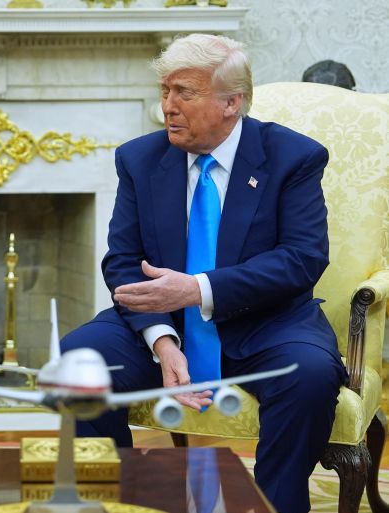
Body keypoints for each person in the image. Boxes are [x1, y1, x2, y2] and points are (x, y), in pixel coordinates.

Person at [61, 34, 347, 513]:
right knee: (78, 364)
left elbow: (302, 257)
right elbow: (122, 259)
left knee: (310, 375)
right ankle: (115, 502)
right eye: (165, 91)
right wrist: (162, 340)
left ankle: (276, 505)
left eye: (184, 94)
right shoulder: (140, 158)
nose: (167, 107)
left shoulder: (293, 157)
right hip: (164, 325)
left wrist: (197, 289)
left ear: (231, 102)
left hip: (265, 323)